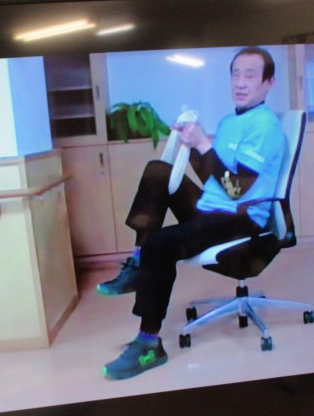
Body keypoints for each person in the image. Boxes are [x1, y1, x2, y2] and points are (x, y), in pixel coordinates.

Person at [97, 47, 286, 380]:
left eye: (250, 75)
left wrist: (203, 144)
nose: (240, 82)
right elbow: (213, 175)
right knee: (158, 171)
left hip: (241, 218)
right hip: (212, 208)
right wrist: (191, 142)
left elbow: (235, 190)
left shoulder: (265, 126)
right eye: (236, 74)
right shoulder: (229, 122)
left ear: (268, 83)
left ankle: (149, 344)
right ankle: (138, 261)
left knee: (160, 244)